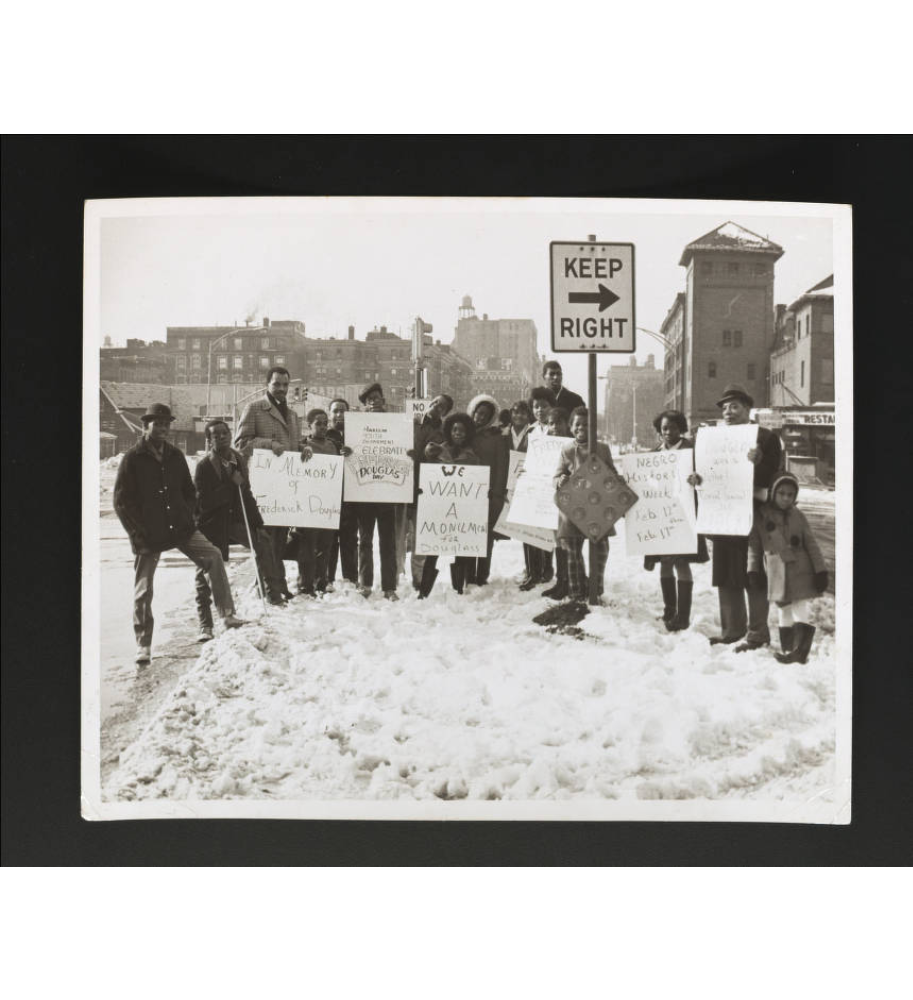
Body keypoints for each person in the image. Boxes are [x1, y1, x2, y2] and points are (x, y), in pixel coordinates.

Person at [114, 403, 247, 663]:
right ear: (145, 426)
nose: (162, 428)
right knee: (143, 589)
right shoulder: (133, 458)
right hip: (149, 533)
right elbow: (121, 501)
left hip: (180, 527)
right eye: (157, 424)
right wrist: (137, 532)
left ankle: (227, 614)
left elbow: (189, 490)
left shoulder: (175, 455)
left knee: (214, 556)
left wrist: (187, 513)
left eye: (166, 424)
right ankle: (143, 644)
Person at [691, 384, 783, 651]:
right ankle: (732, 630)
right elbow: (704, 473)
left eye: (735, 406)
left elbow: (773, 477)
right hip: (722, 514)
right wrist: (697, 479)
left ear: (748, 409)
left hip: (752, 516)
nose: (728, 412)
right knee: (726, 573)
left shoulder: (765, 438)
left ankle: (757, 634)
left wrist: (760, 461)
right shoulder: (713, 440)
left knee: (753, 574)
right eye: (725, 407)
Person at [193, 419, 285, 642]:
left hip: (235, 521)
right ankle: (205, 624)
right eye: (216, 435)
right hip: (211, 523)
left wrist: (258, 524)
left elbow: (246, 494)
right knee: (206, 570)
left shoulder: (239, 459)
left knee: (262, 542)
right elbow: (202, 502)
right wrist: (229, 485)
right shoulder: (204, 466)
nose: (222, 437)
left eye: (225, 433)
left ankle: (272, 594)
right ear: (209, 440)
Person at [233, 367, 304, 600]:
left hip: (287, 485)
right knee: (265, 537)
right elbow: (241, 444)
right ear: (267, 385)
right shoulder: (254, 409)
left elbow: (293, 447)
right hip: (263, 485)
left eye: (285, 385)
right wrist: (268, 444)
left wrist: (305, 450)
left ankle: (277, 584)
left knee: (280, 538)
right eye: (277, 384)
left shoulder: (293, 415)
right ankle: (267, 586)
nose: (281, 389)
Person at [748, 472, 828, 664]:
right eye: (782, 493)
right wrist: (753, 570)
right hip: (776, 571)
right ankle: (788, 650)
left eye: (790, 495)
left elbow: (811, 544)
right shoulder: (761, 517)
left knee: (799, 606)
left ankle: (800, 652)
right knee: (783, 609)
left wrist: (821, 570)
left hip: (800, 569)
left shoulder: (798, 516)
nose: (786, 498)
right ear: (773, 493)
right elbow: (754, 547)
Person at [643, 410, 708, 632]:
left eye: (672, 427)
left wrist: (697, 479)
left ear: (681, 428)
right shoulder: (654, 453)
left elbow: (705, 477)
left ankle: (683, 615)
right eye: (664, 429)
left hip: (685, 515)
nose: (668, 432)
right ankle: (669, 608)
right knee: (665, 561)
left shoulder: (692, 451)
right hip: (662, 515)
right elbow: (647, 485)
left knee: (682, 561)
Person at [553, 406, 617, 604]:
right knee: (572, 550)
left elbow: (613, 473)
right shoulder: (567, 450)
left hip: (597, 507)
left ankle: (595, 587)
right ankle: (576, 590)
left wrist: (614, 479)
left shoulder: (602, 449)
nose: (581, 428)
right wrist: (560, 480)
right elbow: (557, 475)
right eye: (577, 424)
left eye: (586, 424)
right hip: (573, 508)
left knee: (601, 548)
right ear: (571, 427)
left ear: (594, 426)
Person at [418, 412, 480, 598]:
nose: (458, 433)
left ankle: (458, 589)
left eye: (462, 430)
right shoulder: (437, 451)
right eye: (454, 430)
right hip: (438, 511)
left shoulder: (472, 457)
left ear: (467, 433)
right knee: (433, 550)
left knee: (460, 549)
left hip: (461, 511)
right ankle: (424, 591)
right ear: (449, 431)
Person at [353, 382, 400, 600]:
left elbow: (402, 449)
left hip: (387, 492)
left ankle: (389, 587)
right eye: (369, 399)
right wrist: (348, 452)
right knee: (365, 540)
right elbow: (352, 452)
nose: (374, 402)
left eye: (377, 397)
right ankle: (365, 583)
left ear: (383, 399)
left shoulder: (396, 423)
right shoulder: (358, 426)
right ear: (365, 405)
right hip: (365, 492)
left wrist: (406, 452)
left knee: (388, 542)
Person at [291, 408, 342, 596]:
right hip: (308, 503)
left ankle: (322, 581)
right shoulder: (301, 445)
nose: (322, 427)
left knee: (325, 545)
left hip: (328, 503)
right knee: (307, 545)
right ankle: (305, 583)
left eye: (325, 423)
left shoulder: (333, 446)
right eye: (318, 423)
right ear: (309, 425)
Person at [408, 393, 453, 590]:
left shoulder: (443, 432)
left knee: (420, 535)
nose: (436, 406)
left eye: (441, 406)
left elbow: (445, 459)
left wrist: (434, 454)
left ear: (445, 412)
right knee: (397, 534)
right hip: (400, 483)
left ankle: (418, 578)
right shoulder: (412, 422)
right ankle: (392, 576)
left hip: (423, 488)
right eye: (434, 402)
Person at [465, 394, 509, 586]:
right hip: (466, 493)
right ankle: (467, 574)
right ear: (473, 412)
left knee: (485, 536)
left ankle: (482, 575)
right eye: (478, 413)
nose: (480, 417)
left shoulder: (496, 438)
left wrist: (497, 492)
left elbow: (502, 466)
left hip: (488, 493)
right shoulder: (464, 432)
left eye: (485, 415)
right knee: (467, 533)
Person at [325, 398, 358, 586]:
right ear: (330, 414)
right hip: (330, 496)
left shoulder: (356, 435)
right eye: (335, 411)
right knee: (329, 539)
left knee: (350, 539)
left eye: (342, 411)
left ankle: (351, 578)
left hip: (351, 495)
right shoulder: (323, 434)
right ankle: (327, 578)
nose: (339, 415)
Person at [541, 407, 571, 599]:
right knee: (556, 540)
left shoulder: (571, 444)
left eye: (558, 422)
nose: (555, 427)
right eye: (551, 423)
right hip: (548, 497)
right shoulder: (542, 444)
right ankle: (560, 581)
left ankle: (567, 581)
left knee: (566, 540)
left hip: (567, 499)